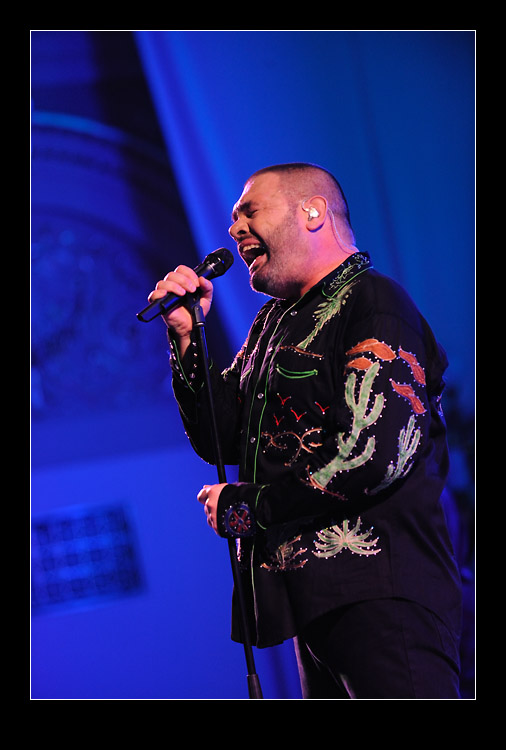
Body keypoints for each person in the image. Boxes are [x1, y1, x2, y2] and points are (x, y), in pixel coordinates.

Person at [147, 163, 463, 699]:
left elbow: (370, 454)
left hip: (379, 588)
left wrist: (250, 506)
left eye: (249, 211)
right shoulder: (272, 323)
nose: (234, 229)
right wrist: (186, 338)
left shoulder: (374, 302)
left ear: (312, 211)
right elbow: (222, 438)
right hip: (310, 602)